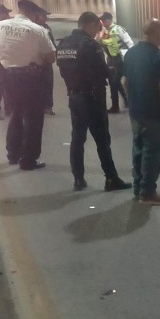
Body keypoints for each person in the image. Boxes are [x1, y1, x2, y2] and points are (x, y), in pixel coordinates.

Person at [56, 12, 133, 192]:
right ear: (89, 24)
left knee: (77, 139)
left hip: (74, 97)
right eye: (97, 26)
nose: (98, 30)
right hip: (93, 99)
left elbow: (62, 69)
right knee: (102, 141)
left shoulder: (63, 44)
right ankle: (111, 178)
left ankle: (78, 179)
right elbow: (103, 71)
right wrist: (112, 71)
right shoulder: (91, 45)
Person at [0, 0, 55, 170]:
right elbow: (51, 57)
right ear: (33, 14)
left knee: (15, 114)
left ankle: (13, 154)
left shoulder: (0, 25)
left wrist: (11, 56)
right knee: (33, 119)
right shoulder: (38, 30)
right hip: (31, 78)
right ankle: (28, 160)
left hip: (8, 77)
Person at [123, 19, 160, 205]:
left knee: (138, 149)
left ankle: (138, 188)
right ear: (158, 33)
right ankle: (148, 193)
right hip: (154, 114)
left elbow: (125, 82)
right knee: (153, 153)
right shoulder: (159, 58)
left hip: (136, 112)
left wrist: (132, 101)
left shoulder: (131, 53)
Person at [99, 11, 134, 113]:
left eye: (104, 20)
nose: (103, 22)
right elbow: (102, 43)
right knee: (114, 81)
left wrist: (132, 56)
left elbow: (129, 42)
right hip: (110, 59)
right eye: (102, 21)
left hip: (119, 58)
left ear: (110, 20)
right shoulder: (105, 31)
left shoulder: (118, 29)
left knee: (114, 81)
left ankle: (116, 106)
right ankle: (125, 101)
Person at [33, 7, 57, 115]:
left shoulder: (47, 27)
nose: (46, 18)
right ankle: (38, 106)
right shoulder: (33, 28)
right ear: (37, 16)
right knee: (37, 85)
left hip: (47, 60)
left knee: (48, 83)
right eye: (44, 16)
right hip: (37, 62)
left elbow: (52, 43)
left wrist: (54, 54)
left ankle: (48, 106)